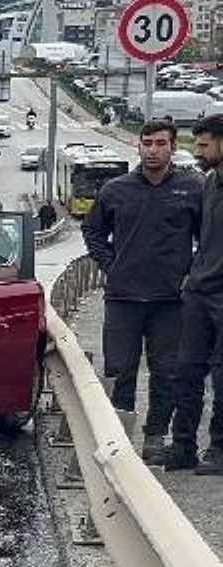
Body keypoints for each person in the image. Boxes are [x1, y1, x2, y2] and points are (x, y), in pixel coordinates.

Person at [82, 120, 204, 462]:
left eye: (160, 143)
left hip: (171, 301)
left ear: (172, 147)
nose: (152, 150)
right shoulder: (115, 189)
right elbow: (93, 233)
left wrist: (191, 273)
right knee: (120, 370)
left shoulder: (192, 187)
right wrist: (112, 265)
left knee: (167, 372)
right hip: (123, 298)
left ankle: (154, 439)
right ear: (138, 146)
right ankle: (119, 441)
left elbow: (207, 238)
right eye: (146, 143)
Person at [165, 114, 223, 473]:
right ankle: (183, 445)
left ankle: (219, 448)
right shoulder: (210, 183)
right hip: (199, 292)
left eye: (203, 145)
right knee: (186, 370)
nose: (197, 152)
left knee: (222, 375)